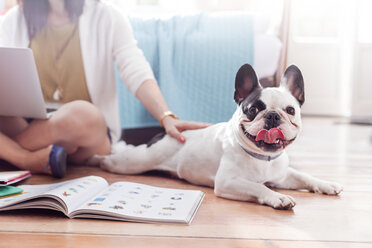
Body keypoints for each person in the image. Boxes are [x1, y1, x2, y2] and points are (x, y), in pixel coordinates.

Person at [0, 0, 208, 178]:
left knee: (80, 114)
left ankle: (12, 154)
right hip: (26, 124)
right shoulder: (13, 20)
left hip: (84, 135)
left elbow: (135, 69)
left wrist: (166, 116)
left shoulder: (107, 16)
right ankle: (28, 159)